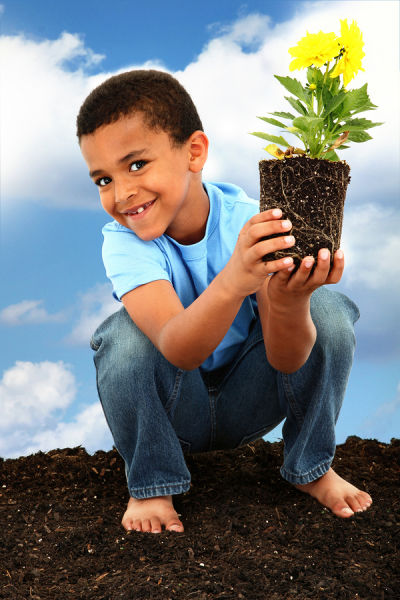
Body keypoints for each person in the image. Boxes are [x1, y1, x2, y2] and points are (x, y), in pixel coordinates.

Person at [76, 69, 372, 534]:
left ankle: (311, 466)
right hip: (176, 412)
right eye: (102, 180)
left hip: (251, 399)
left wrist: (292, 300)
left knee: (329, 312)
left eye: (135, 165)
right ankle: (152, 484)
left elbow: (287, 358)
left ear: (195, 152)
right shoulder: (124, 242)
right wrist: (235, 279)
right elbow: (178, 348)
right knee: (123, 336)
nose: (121, 192)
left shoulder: (249, 220)